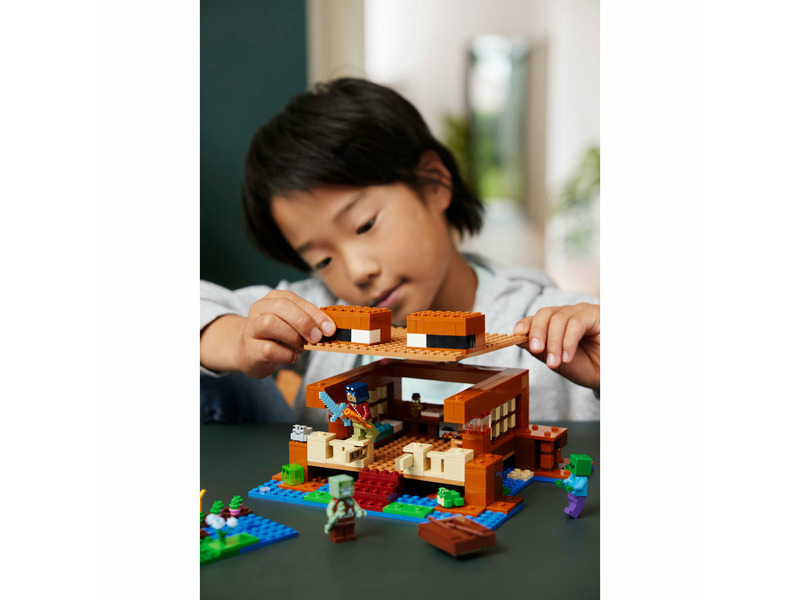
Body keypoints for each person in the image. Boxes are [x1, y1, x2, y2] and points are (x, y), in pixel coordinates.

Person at [200, 78, 599, 426]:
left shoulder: (551, 325)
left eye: (365, 225)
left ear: (434, 183)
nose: (357, 271)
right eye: (322, 260)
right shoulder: (321, 312)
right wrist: (239, 344)